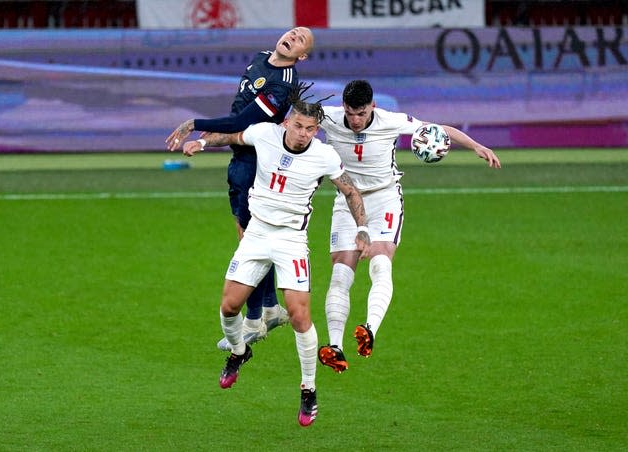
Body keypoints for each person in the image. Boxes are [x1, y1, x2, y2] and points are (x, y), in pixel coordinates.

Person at [176, 89, 371, 426]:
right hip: (256, 235)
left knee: (298, 315)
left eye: (310, 129)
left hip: (290, 240)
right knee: (229, 306)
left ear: (317, 130)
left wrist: (363, 228)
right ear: (286, 122)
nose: (303, 134)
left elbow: (350, 189)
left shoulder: (324, 156)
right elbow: (234, 135)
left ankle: (308, 389)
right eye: (298, 126)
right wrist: (203, 143)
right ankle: (239, 352)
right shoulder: (265, 134)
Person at [317, 80, 501, 373]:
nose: (355, 120)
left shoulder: (391, 121)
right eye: (350, 113)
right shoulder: (326, 116)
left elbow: (437, 129)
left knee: (380, 260)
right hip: (347, 201)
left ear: (372, 107)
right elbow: (291, 120)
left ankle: (370, 329)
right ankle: (335, 347)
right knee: (341, 271)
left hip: (384, 198)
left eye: (361, 113)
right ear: (343, 107)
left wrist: (476, 145)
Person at [165, 27, 315, 350]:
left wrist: (195, 125)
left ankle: (254, 321)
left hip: (255, 162)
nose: (293, 36)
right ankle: (271, 308)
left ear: (302, 56)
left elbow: (239, 123)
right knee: (249, 238)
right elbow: (237, 117)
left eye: (301, 40)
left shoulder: (283, 84)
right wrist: (205, 143)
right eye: (293, 32)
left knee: (252, 245)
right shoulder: (261, 59)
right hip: (240, 159)